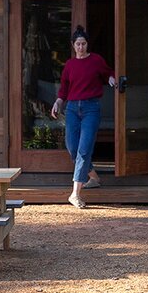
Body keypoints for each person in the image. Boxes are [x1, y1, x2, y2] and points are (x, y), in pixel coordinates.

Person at [50, 26, 116, 209]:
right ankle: (93, 177)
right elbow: (64, 88)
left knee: (84, 149)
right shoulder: (70, 65)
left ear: (87, 45)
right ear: (73, 45)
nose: (81, 47)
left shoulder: (96, 60)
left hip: (91, 108)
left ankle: (75, 194)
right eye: (78, 44)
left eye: (84, 44)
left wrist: (111, 78)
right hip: (71, 108)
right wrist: (58, 103)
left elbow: (108, 72)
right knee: (72, 147)